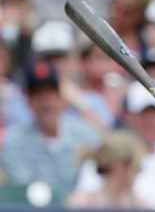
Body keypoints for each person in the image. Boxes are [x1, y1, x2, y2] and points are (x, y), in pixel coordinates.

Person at [0, 59, 99, 204]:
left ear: (61, 96)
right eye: (38, 95)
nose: (46, 102)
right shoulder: (14, 140)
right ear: (28, 100)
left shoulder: (85, 134)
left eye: (51, 93)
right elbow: (28, 191)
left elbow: (112, 154)